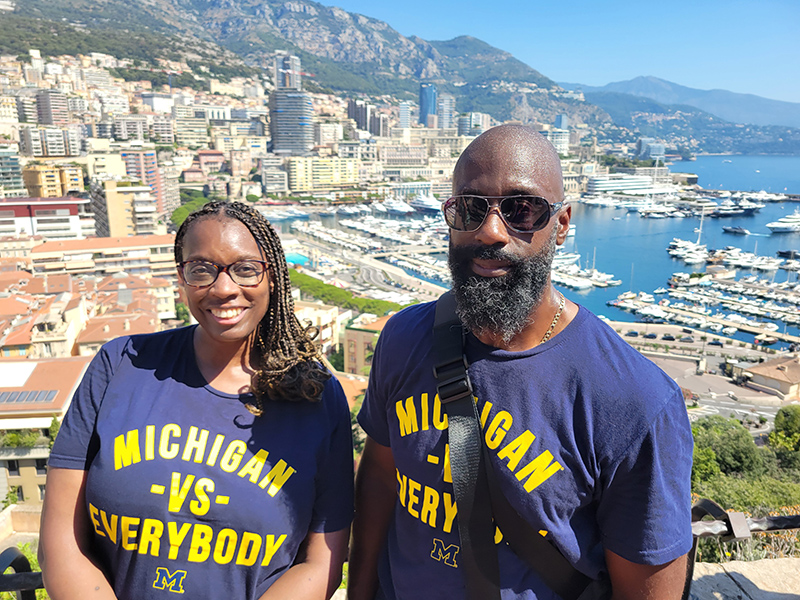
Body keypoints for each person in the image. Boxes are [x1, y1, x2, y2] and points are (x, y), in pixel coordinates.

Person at [348, 125, 693, 600]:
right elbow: (382, 480)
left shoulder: (633, 400)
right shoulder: (403, 339)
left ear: (563, 224)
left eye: (522, 209)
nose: (490, 231)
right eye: (471, 207)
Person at [40, 201, 354, 600]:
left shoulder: (316, 397)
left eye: (245, 269)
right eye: (202, 270)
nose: (224, 289)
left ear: (271, 277)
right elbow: (62, 540)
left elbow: (322, 560)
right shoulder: (119, 365)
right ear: (182, 278)